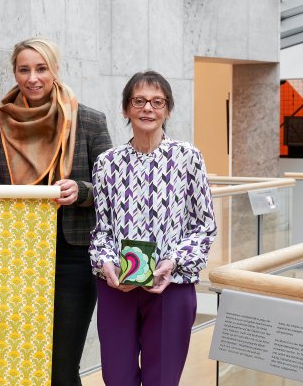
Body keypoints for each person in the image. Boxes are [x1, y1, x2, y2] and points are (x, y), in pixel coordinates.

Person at [0, 37, 112, 385]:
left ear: (55, 70)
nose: (33, 77)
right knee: (25, 363)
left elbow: (115, 188)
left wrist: (83, 190)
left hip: (74, 255)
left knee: (62, 366)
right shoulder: (1, 127)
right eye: (24, 69)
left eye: (41, 68)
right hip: (21, 258)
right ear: (14, 72)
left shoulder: (88, 120)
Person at [89, 70, 216, 386]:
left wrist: (173, 263)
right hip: (117, 285)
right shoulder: (107, 162)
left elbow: (204, 226)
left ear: (168, 110)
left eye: (157, 102)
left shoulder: (188, 158)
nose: (148, 108)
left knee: (163, 379)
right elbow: (100, 229)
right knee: (117, 378)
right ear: (126, 109)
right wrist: (106, 264)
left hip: (171, 285)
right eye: (139, 101)